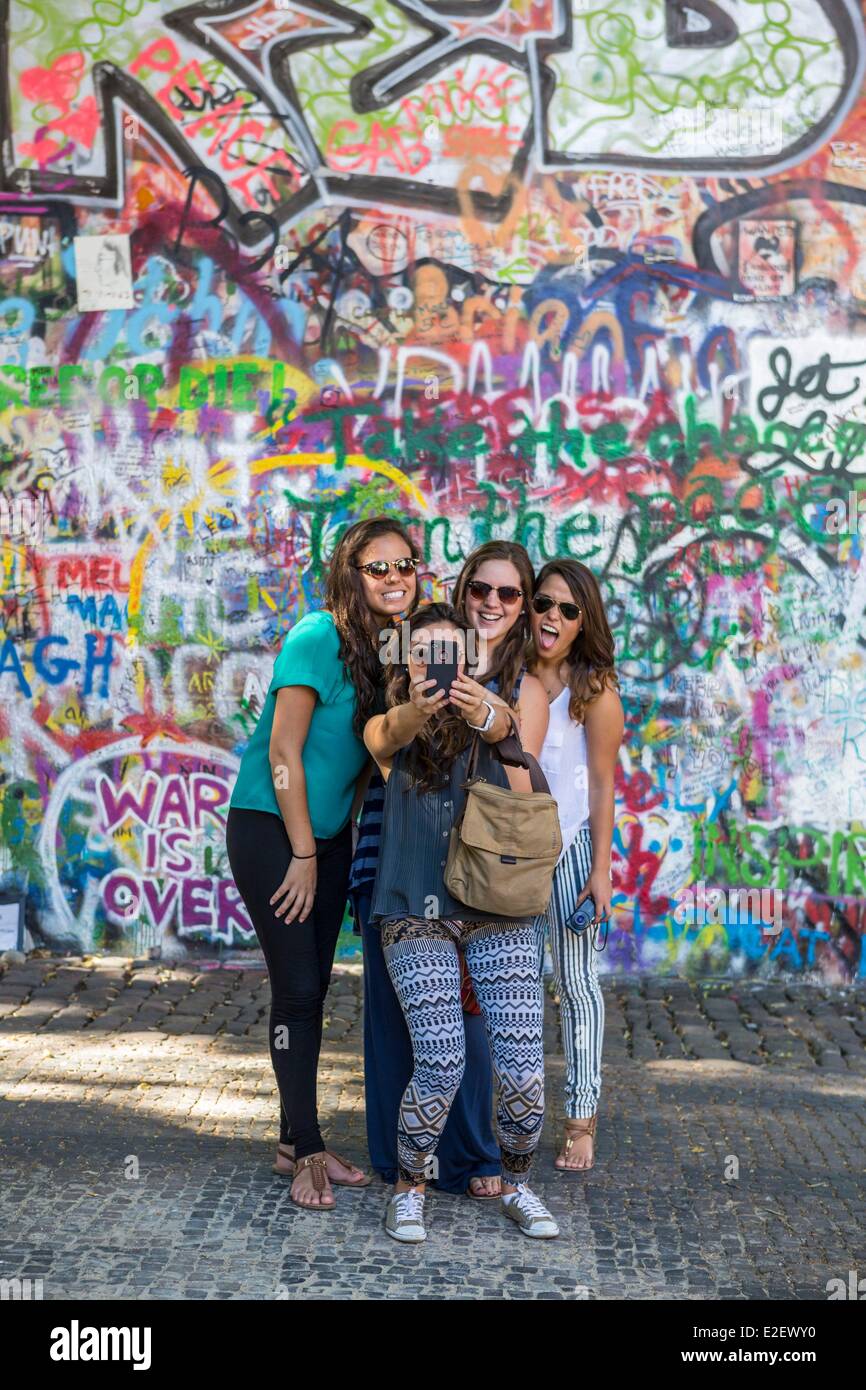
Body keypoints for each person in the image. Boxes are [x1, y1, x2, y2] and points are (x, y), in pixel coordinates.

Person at [225, 517, 420, 1210]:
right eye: (378, 567)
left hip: (330, 836)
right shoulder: (317, 635)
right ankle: (305, 1151)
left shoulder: (391, 649)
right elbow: (284, 751)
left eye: (405, 565)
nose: (394, 578)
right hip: (272, 828)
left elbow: (371, 758)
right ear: (350, 574)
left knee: (312, 990)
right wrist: (304, 851)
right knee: (298, 988)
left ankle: (293, 1139)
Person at [364, 602, 559, 1243]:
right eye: (424, 652)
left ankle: (518, 1185)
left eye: (450, 652)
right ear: (405, 660)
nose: (437, 664)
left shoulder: (495, 711)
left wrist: (484, 714)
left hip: (497, 910)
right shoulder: (391, 721)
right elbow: (384, 737)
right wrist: (420, 709)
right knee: (442, 1058)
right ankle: (409, 1189)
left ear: (471, 659)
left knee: (523, 1065)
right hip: (412, 912)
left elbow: (513, 742)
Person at [528, 559, 624, 1171]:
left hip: (571, 854)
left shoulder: (595, 692)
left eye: (568, 609)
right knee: (511, 986)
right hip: (510, 857)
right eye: (543, 603)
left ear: (583, 621)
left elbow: (603, 787)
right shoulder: (508, 672)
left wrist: (601, 871)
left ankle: (581, 1121)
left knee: (578, 985)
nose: (552, 617)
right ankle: (513, 1113)